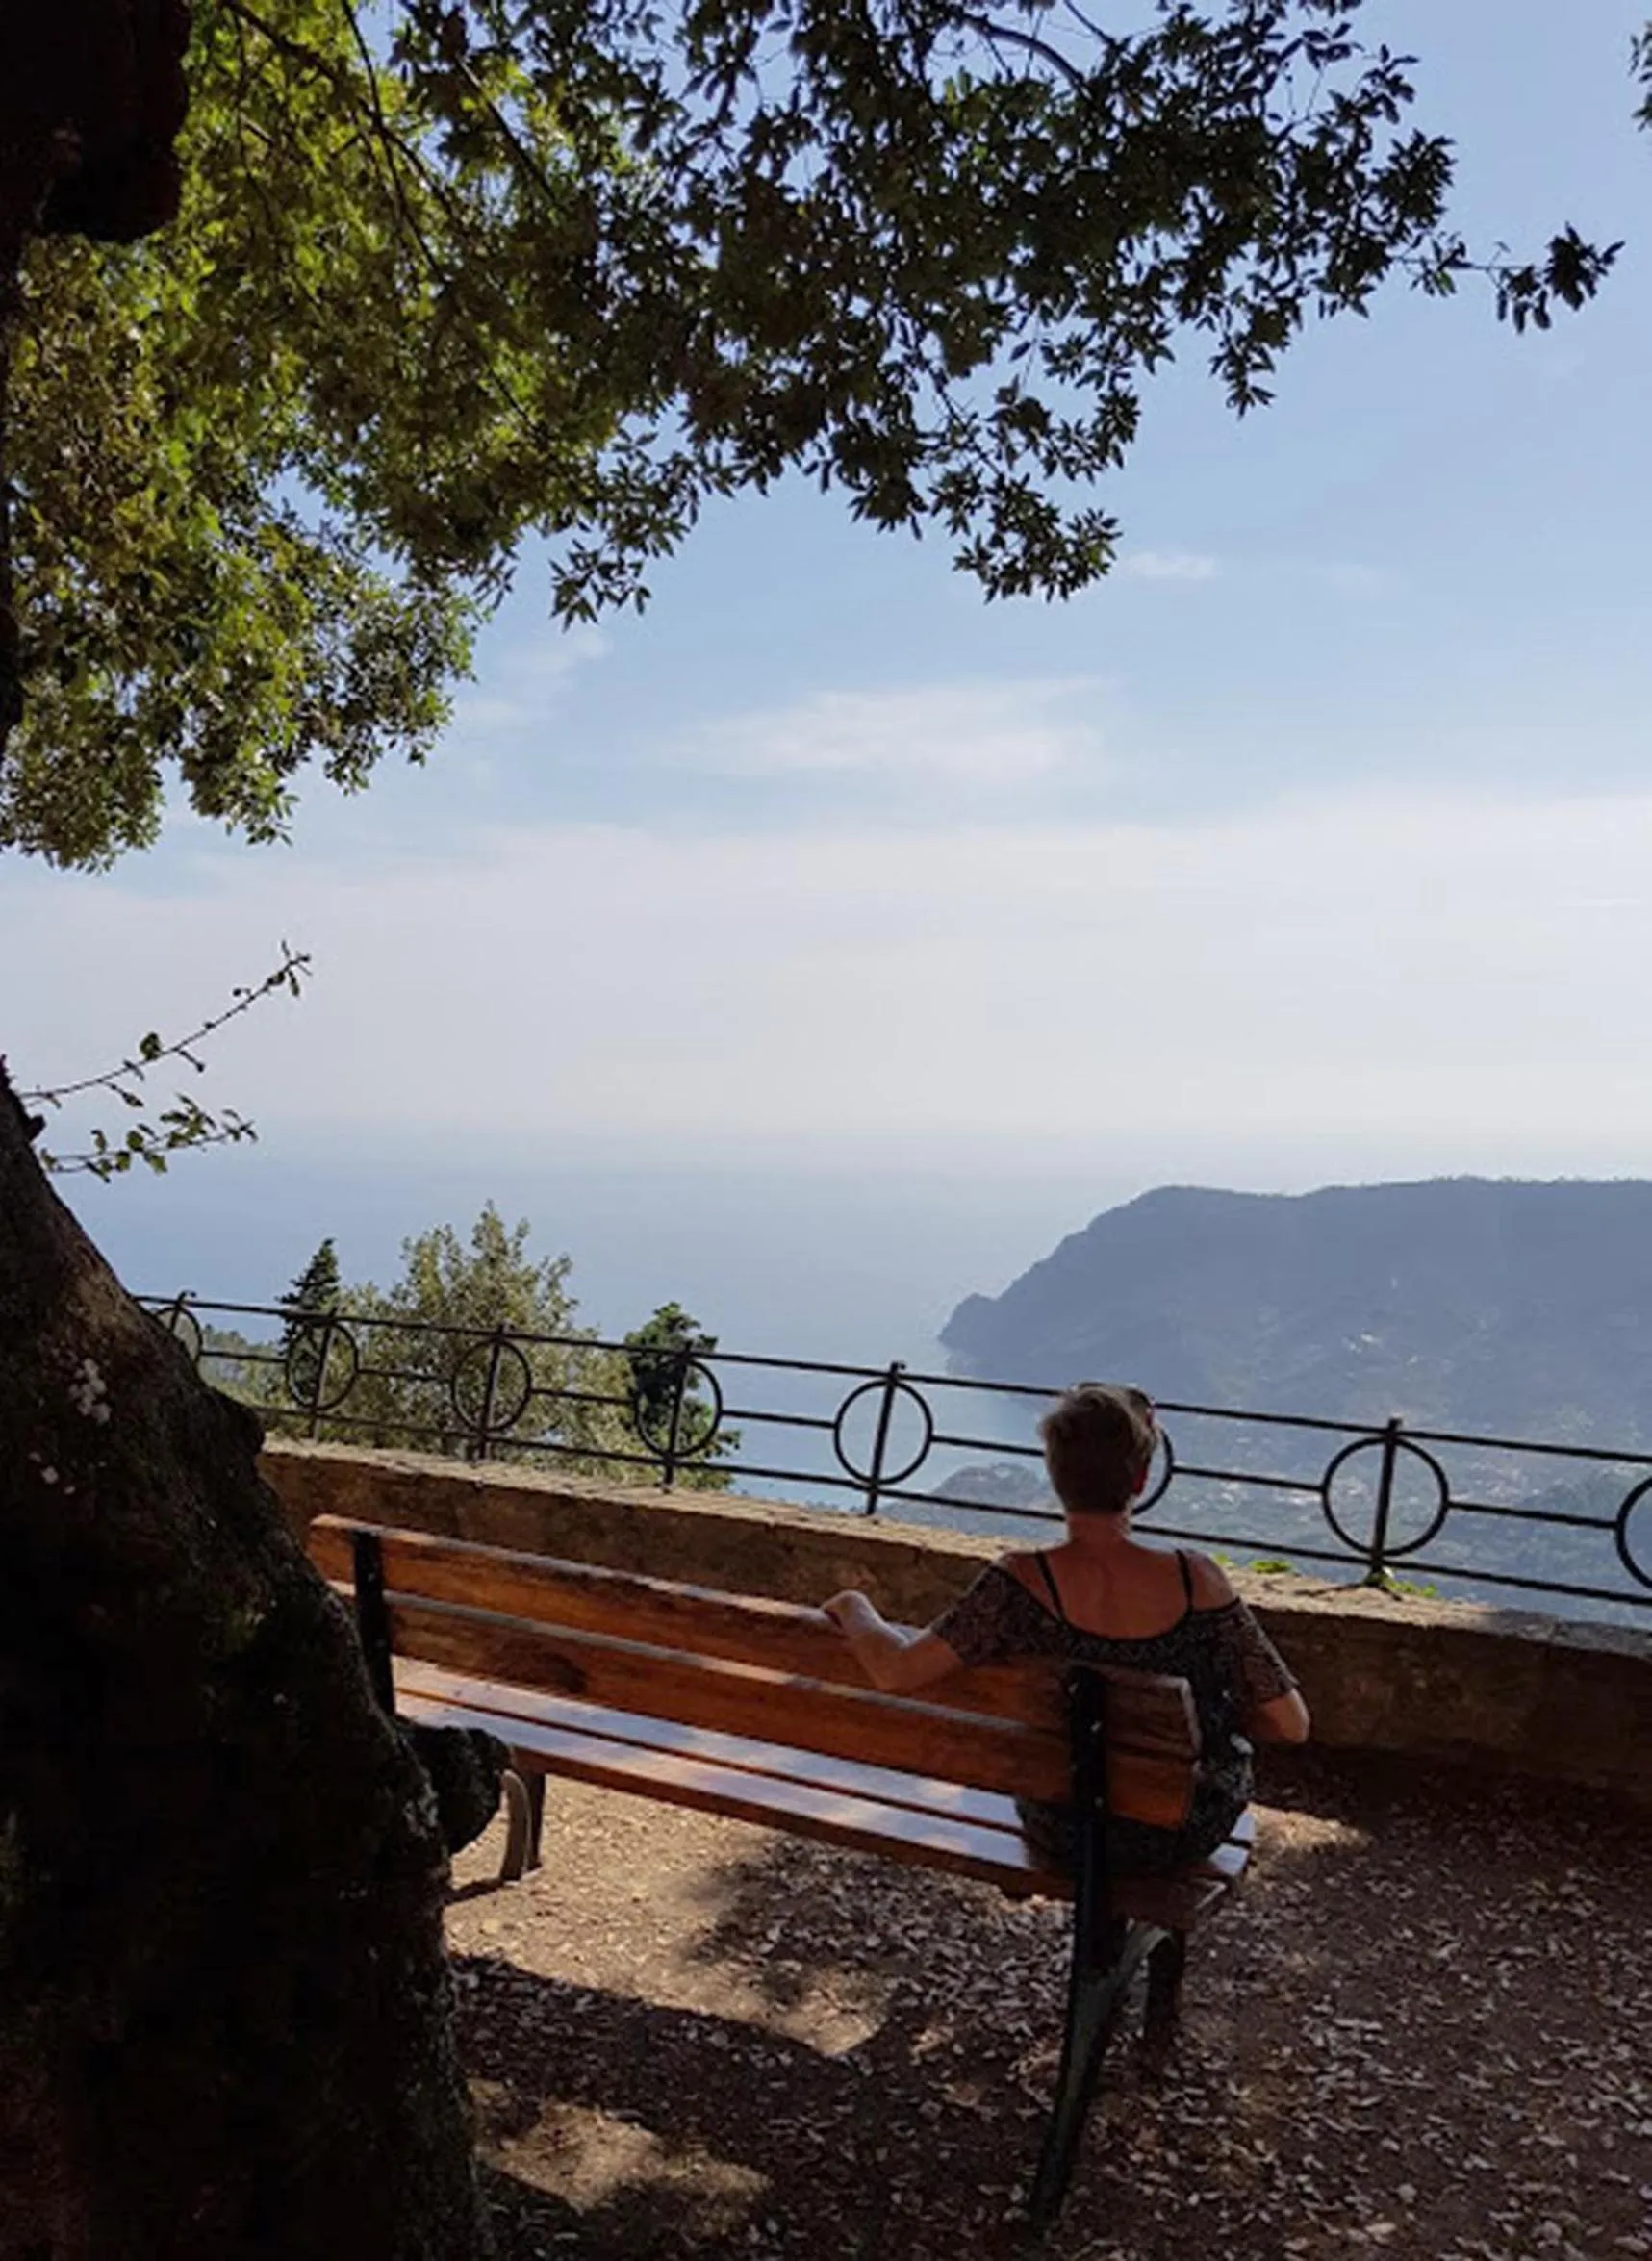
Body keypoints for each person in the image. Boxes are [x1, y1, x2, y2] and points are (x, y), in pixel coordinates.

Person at [822, 1381, 1309, 1875]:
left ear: (1056, 1476)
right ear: (1140, 1480)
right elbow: (1292, 1723)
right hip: (1182, 1830)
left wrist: (854, 1605)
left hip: (1063, 1825)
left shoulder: (1019, 1582)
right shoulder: (1197, 1582)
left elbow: (896, 1672)